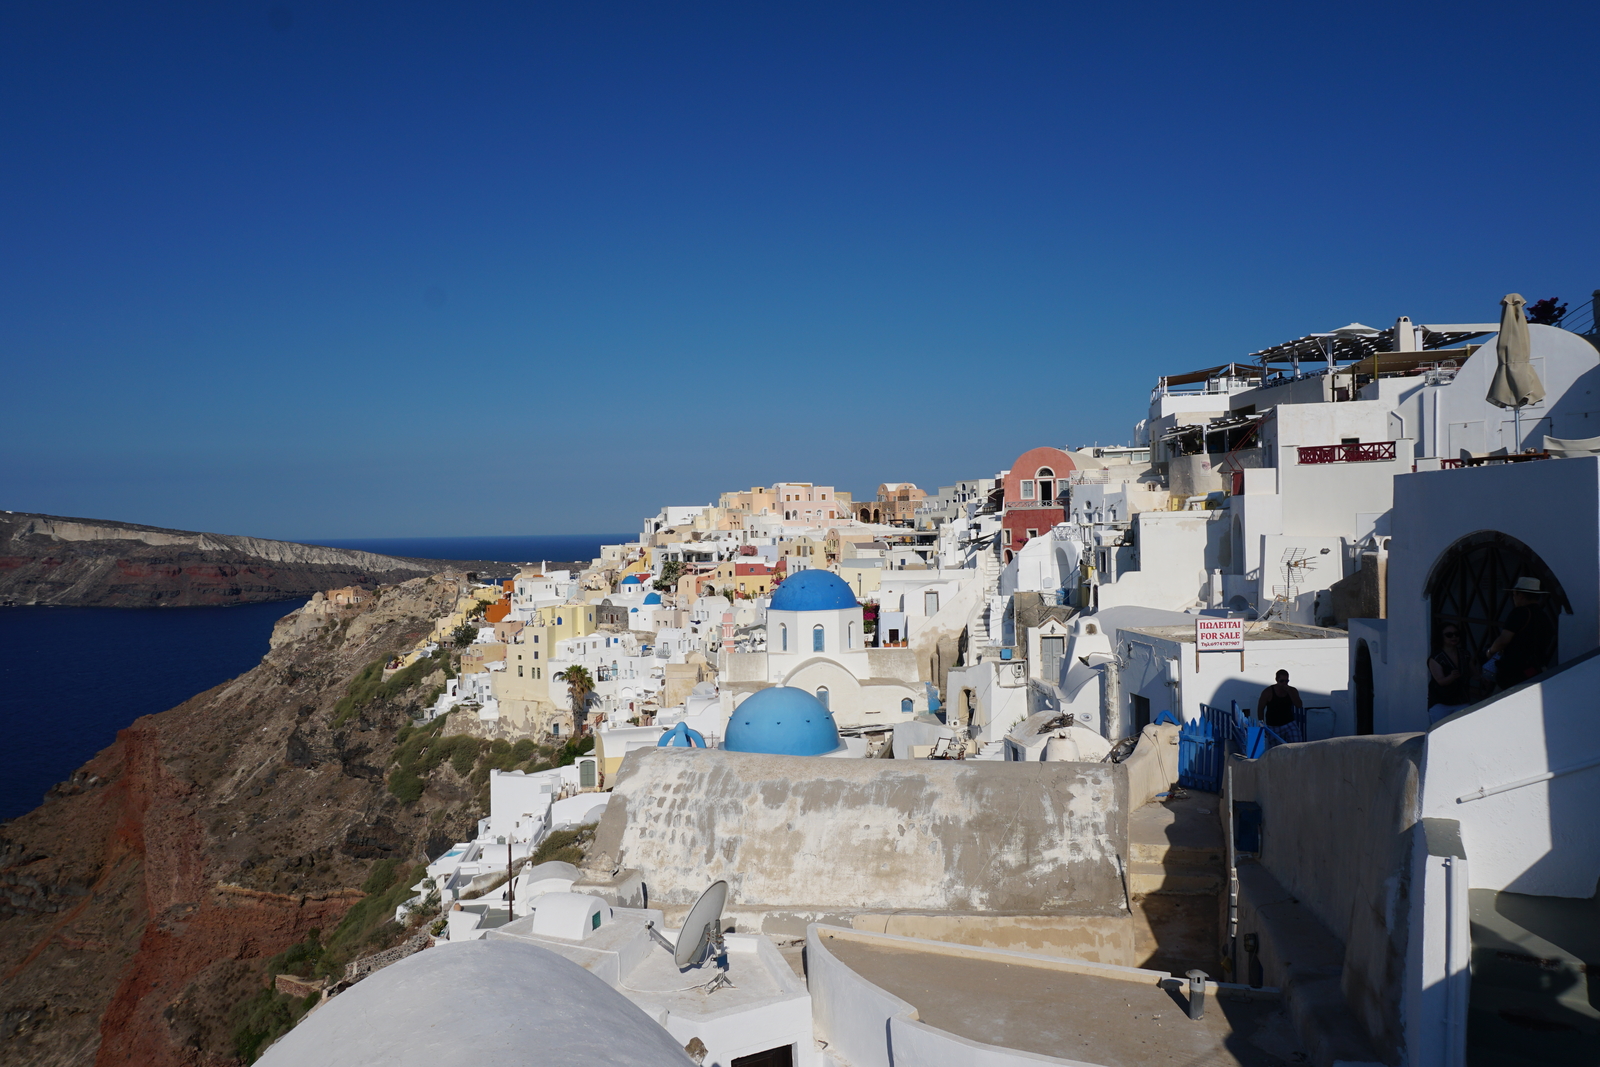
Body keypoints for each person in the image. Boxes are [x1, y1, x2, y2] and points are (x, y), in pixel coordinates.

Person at [1482, 577, 1555, 690]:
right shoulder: (1544, 616)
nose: (1514, 598)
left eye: (1514, 594)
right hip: (1536, 669)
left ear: (1520, 595)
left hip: (1514, 672)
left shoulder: (1520, 612)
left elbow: (1503, 640)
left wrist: (1490, 652)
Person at [1426, 623, 1479, 723]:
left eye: (1456, 634)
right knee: (1439, 731)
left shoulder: (1465, 654)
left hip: (1462, 700)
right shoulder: (1436, 658)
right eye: (1449, 635)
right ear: (1441, 637)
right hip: (1441, 703)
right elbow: (1440, 681)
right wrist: (1451, 677)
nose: (1454, 637)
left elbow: (1474, 672)